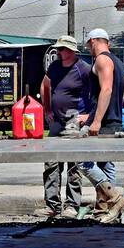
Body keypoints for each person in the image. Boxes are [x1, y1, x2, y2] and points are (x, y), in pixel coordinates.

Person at [76, 27, 124, 220]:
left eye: (89, 45)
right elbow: (115, 95)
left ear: (93, 42)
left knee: (82, 160)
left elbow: (106, 90)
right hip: (113, 119)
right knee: (106, 165)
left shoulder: (102, 60)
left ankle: (114, 197)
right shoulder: (118, 62)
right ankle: (104, 211)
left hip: (104, 123)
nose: (89, 48)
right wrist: (90, 115)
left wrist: (95, 121)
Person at [39, 35, 90, 220]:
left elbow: (95, 92)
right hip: (56, 121)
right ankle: (52, 204)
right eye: (58, 49)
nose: (59, 52)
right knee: (51, 162)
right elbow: (45, 85)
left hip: (73, 121)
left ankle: (72, 205)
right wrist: (47, 109)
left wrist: (88, 116)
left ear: (70, 51)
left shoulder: (83, 69)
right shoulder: (54, 67)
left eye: (61, 49)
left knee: (74, 165)